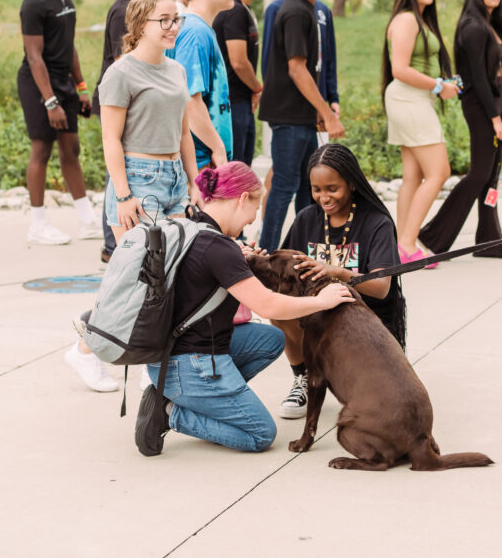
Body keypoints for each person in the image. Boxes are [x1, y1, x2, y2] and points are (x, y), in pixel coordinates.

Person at [135, 161, 355, 455]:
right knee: (260, 434)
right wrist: (321, 301)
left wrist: (243, 261)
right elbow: (267, 304)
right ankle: (172, 410)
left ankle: (201, 397)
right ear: (242, 199)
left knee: (271, 339)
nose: (252, 220)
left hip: (168, 355)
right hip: (189, 363)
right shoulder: (219, 248)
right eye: (255, 208)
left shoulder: (190, 227)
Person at [64, 0, 201, 393]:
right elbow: (111, 140)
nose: (173, 26)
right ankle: (85, 350)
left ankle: (153, 366)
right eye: (164, 20)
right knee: (134, 282)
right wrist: (124, 195)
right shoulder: (121, 74)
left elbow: (183, 131)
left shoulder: (176, 70)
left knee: (171, 276)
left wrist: (194, 181)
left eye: (176, 19)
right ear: (140, 24)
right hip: (138, 180)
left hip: (174, 176)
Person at [275, 143, 406, 418]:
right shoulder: (306, 219)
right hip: (317, 312)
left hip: (363, 321)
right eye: (317, 189)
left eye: (332, 188)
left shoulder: (376, 223)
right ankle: (303, 378)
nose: (324, 197)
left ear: (352, 184)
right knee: (279, 310)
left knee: (373, 407)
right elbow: (284, 270)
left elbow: (382, 289)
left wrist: (339, 272)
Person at [418, 0, 502, 260]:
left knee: (492, 175)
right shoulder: (472, 28)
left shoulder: (491, 25)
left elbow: (499, 77)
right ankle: (432, 236)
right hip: (479, 106)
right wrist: (494, 119)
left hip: (495, 105)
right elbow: (477, 77)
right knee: (479, 174)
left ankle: (490, 240)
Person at [258, 0, 345, 254]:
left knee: (309, 192)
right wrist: (329, 113)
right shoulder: (294, 10)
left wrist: (321, 109)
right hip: (289, 117)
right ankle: (265, 256)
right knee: (284, 187)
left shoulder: (311, 8)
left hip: (304, 117)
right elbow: (297, 69)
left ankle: (309, 253)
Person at [18, 0, 101, 246]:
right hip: (39, 83)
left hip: (64, 82)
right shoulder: (34, 3)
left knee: (72, 149)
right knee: (42, 149)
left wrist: (80, 87)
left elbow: (70, 45)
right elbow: (34, 55)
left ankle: (87, 220)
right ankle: (37, 224)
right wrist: (50, 101)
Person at [95, 0, 166, 261]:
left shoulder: (145, 7)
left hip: (137, 103)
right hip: (120, 103)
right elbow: (121, 62)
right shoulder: (123, 9)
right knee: (119, 169)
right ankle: (113, 245)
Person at [382, 0, 457, 264]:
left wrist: (441, 85)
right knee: (439, 172)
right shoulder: (406, 20)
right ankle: (408, 244)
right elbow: (400, 69)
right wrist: (439, 86)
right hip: (408, 99)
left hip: (416, 98)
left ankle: (402, 245)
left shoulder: (419, 20)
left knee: (413, 176)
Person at [168, 0, 237, 170]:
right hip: (199, 161)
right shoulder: (195, 32)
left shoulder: (198, 28)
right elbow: (189, 99)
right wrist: (217, 149)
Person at [214, 0, 268, 165]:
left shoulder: (244, 9)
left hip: (241, 101)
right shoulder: (234, 11)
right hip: (232, 102)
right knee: (236, 169)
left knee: (244, 165)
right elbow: (238, 62)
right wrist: (257, 87)